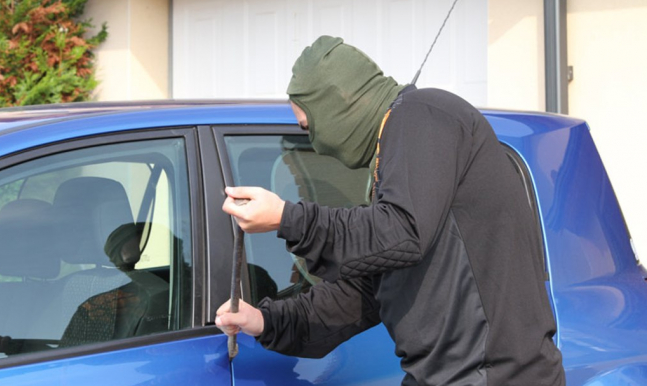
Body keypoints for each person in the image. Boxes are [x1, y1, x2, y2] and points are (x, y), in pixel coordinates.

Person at [217, 36, 565, 385]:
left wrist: (288, 219)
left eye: (309, 128)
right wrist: (265, 321)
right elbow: (363, 291)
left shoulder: (423, 114)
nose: (315, 145)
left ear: (338, 105)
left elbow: (402, 232)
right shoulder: (395, 167)